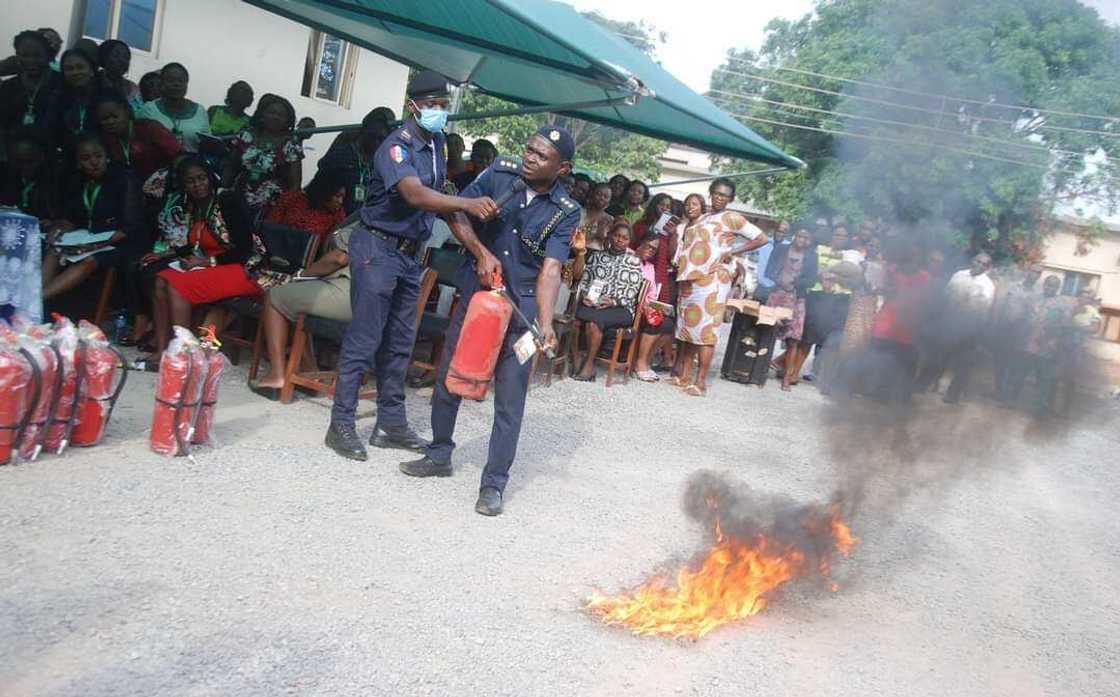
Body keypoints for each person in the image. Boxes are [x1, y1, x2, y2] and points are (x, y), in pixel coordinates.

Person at [400, 125, 580, 517]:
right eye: (529, 148)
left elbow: (551, 269)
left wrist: (545, 323)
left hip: (523, 311)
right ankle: (439, 453)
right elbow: (455, 212)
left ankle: (494, 484)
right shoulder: (500, 173)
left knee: (511, 401)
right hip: (480, 299)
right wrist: (480, 251)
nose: (531, 157)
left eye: (542, 155)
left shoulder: (568, 211)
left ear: (562, 167)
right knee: (451, 376)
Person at [323, 70, 498, 462]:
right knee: (365, 339)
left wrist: (480, 250)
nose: (439, 113)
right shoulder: (395, 147)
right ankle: (341, 424)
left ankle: (391, 424)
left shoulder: (435, 143)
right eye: (432, 106)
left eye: (443, 106)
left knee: (400, 342)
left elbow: (444, 203)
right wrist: (468, 204)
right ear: (413, 106)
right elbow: (417, 195)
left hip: (409, 255)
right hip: (377, 249)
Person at [139, 157, 260, 365]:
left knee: (178, 286)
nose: (197, 185)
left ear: (210, 177)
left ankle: (183, 354)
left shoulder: (228, 200)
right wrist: (166, 254)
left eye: (201, 178)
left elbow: (244, 249)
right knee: (160, 280)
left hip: (247, 268)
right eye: (190, 181)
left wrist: (206, 262)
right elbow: (195, 242)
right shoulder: (196, 206)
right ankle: (163, 348)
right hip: (217, 266)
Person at [672, 179, 769, 396]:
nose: (719, 197)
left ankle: (701, 382)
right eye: (716, 193)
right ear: (710, 194)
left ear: (730, 199)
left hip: (713, 281)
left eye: (724, 195)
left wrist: (734, 251)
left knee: (707, 331)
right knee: (688, 328)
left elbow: (761, 237)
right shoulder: (704, 216)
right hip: (690, 280)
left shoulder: (732, 218)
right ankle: (684, 375)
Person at [251, 221, 357, 396]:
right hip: (379, 304)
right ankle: (310, 373)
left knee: (275, 296)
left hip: (351, 296)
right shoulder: (404, 227)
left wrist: (302, 275)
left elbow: (339, 258)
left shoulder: (367, 223)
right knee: (297, 299)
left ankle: (277, 376)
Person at [41, 135, 143, 303]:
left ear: (107, 156)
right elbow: (72, 219)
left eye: (98, 156)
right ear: (79, 163)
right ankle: (34, 300)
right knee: (55, 250)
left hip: (119, 243)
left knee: (89, 261)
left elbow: (130, 228)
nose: (94, 162)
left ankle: (37, 300)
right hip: (87, 238)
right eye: (86, 158)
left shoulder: (124, 179)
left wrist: (93, 246)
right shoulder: (78, 182)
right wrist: (57, 230)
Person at [635, 192, 706, 381]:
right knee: (656, 320)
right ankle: (640, 361)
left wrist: (673, 234)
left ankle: (646, 360)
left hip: (667, 279)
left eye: (668, 207)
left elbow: (672, 255)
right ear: (654, 206)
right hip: (643, 277)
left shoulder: (677, 229)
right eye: (661, 205)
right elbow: (640, 250)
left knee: (667, 322)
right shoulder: (643, 226)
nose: (665, 209)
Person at [916, 252, 995, 403]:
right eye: (977, 261)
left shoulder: (988, 285)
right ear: (972, 261)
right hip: (949, 321)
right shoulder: (958, 275)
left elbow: (984, 311)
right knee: (937, 356)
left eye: (984, 264)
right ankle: (922, 385)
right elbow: (947, 295)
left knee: (963, 363)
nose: (979, 265)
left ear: (987, 268)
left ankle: (953, 395)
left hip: (969, 327)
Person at [571, 222, 644, 381]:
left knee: (593, 322)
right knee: (574, 316)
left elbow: (632, 293)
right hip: (595, 303)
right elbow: (585, 280)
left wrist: (614, 301)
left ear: (629, 241)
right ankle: (576, 358)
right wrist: (586, 296)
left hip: (620, 308)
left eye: (624, 238)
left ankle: (589, 365)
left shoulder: (634, 262)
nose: (619, 240)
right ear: (610, 236)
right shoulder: (597, 256)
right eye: (617, 236)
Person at [867, 240, 929, 401]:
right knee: (879, 359)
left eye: (915, 256)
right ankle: (875, 390)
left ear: (920, 258)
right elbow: (876, 285)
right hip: (885, 325)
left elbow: (926, 302)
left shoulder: (924, 277)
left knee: (904, 363)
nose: (912, 258)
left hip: (908, 328)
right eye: (909, 255)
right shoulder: (892, 270)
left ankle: (899, 395)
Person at [223, 93, 302, 218]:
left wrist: (285, 210)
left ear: (288, 120)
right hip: (239, 196)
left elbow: (295, 184)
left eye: (281, 115)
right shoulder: (246, 135)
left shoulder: (291, 144)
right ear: (262, 115)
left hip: (272, 206)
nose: (276, 117)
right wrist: (222, 190)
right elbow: (231, 167)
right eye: (271, 112)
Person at [763, 226, 818, 391]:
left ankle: (786, 378)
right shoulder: (781, 249)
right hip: (776, 295)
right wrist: (779, 279)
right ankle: (759, 371)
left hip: (796, 300)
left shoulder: (811, 257)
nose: (803, 240)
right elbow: (768, 271)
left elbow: (811, 281)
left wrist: (794, 282)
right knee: (767, 333)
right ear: (794, 236)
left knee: (793, 340)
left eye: (807, 238)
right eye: (801, 236)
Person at [317, 106, 395, 214]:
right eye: (373, 136)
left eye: (382, 139)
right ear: (363, 131)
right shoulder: (343, 152)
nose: (377, 142)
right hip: (335, 217)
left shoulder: (383, 160)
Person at [96, 93, 182, 181]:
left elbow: (179, 156)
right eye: (105, 118)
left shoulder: (150, 128)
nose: (110, 121)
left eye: (115, 116)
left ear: (127, 111)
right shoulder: (105, 140)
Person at [993, 262, 1044, 404]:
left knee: (1015, 364)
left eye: (1038, 273)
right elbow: (1001, 305)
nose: (1035, 275)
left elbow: (1038, 315)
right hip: (1005, 330)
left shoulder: (1039, 293)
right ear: (1028, 271)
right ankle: (998, 391)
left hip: (1024, 334)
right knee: (1000, 362)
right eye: (1033, 271)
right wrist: (996, 324)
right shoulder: (1013, 286)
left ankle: (1007, 395)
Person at [0, 31, 63, 137]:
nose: (31, 60)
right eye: (24, 55)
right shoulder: (8, 87)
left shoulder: (62, 84)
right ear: (17, 56)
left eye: (37, 55)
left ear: (48, 56)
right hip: (12, 150)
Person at [137, 63, 212, 152]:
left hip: (192, 164)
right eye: (171, 80)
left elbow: (207, 144)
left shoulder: (200, 111)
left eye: (181, 80)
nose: (176, 84)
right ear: (161, 83)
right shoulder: (149, 109)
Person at [0, 126, 60, 226]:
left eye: (30, 161)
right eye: (18, 161)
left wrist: (53, 222)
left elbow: (63, 217)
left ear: (42, 157)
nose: (25, 167)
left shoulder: (56, 180)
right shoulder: (6, 177)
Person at [265, 169, 347, 238]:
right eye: (337, 196)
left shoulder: (338, 215)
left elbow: (329, 247)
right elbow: (269, 226)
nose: (340, 201)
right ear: (325, 192)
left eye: (343, 197)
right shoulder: (292, 198)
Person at [55, 49, 102, 159]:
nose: (75, 72)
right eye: (69, 69)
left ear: (92, 70)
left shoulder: (106, 97)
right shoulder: (58, 99)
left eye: (80, 67)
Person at [96, 40, 141, 112]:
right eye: (116, 55)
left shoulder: (133, 88)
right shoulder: (94, 82)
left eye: (126, 57)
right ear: (104, 56)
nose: (122, 60)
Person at [753, 220, 790, 300]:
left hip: (777, 289)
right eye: (778, 231)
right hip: (760, 286)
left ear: (786, 234)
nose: (780, 234)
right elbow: (748, 249)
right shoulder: (764, 242)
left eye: (783, 232)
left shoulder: (789, 247)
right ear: (774, 231)